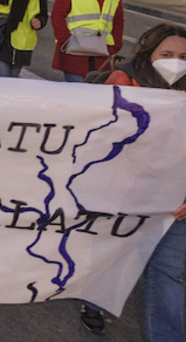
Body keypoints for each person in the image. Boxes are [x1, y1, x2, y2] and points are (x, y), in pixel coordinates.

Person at [78, 23, 186, 337]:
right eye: (167, 54)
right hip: (124, 193)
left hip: (174, 201)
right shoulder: (123, 81)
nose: (176, 61)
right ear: (149, 54)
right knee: (114, 254)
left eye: (183, 55)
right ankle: (94, 302)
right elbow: (103, 142)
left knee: (169, 273)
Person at [51, 0, 124, 82]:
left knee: (95, 97)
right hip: (75, 51)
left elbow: (118, 20)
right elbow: (57, 14)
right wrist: (64, 39)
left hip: (102, 51)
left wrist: (116, 45)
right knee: (76, 95)